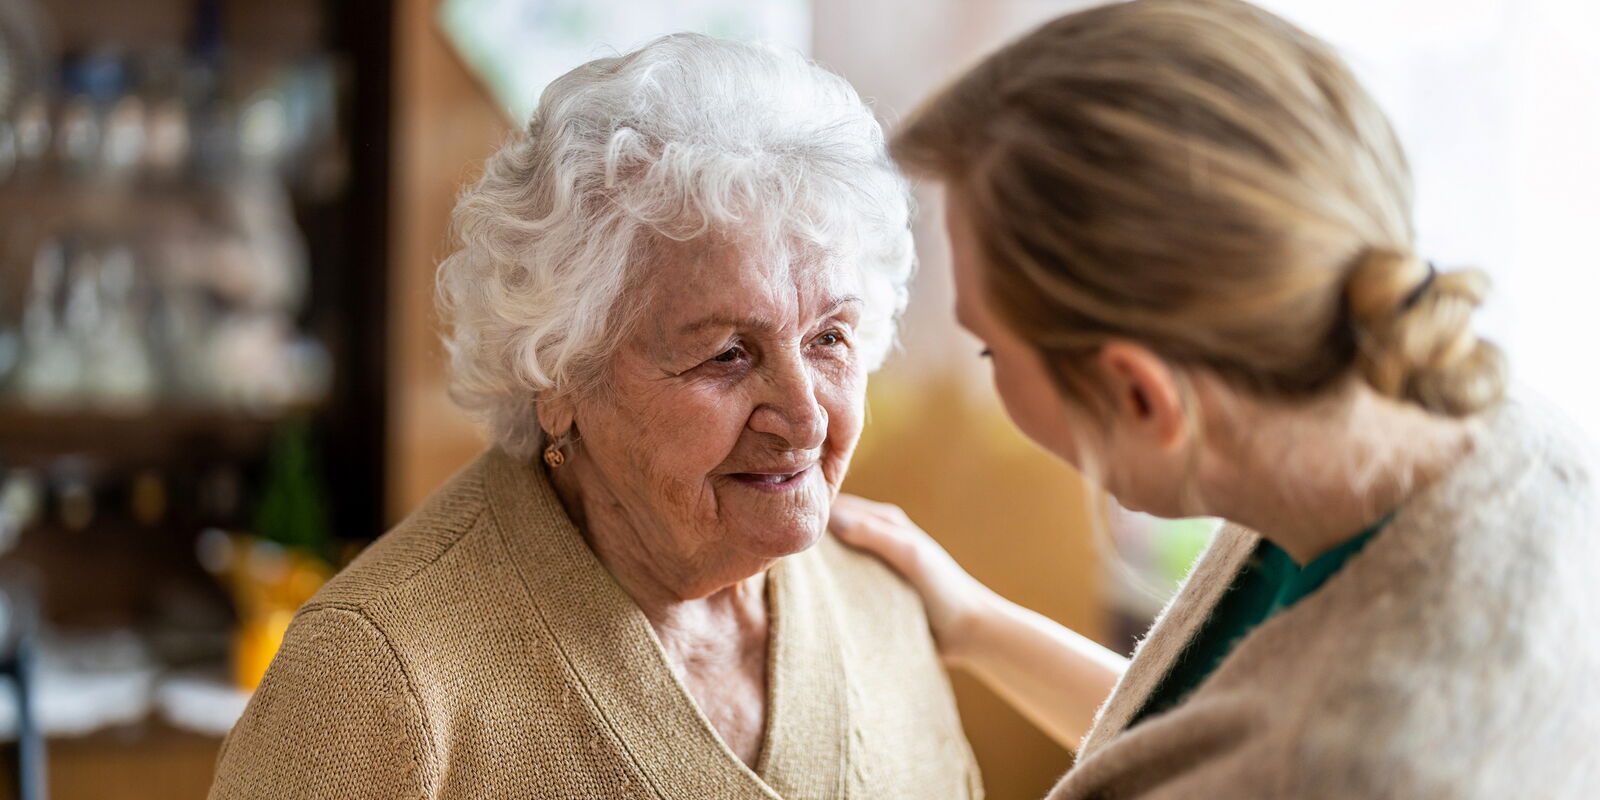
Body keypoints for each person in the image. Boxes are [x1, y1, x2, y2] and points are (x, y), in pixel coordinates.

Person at [829, 1, 1600, 797]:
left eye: (990, 347)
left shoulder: (1367, 763)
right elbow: (1206, 733)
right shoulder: (1484, 437)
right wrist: (975, 625)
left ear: (1140, 395)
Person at [209, 34, 981, 800]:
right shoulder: (375, 677)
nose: (805, 421)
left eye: (829, 339)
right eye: (727, 354)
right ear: (557, 371)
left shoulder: (883, 602)